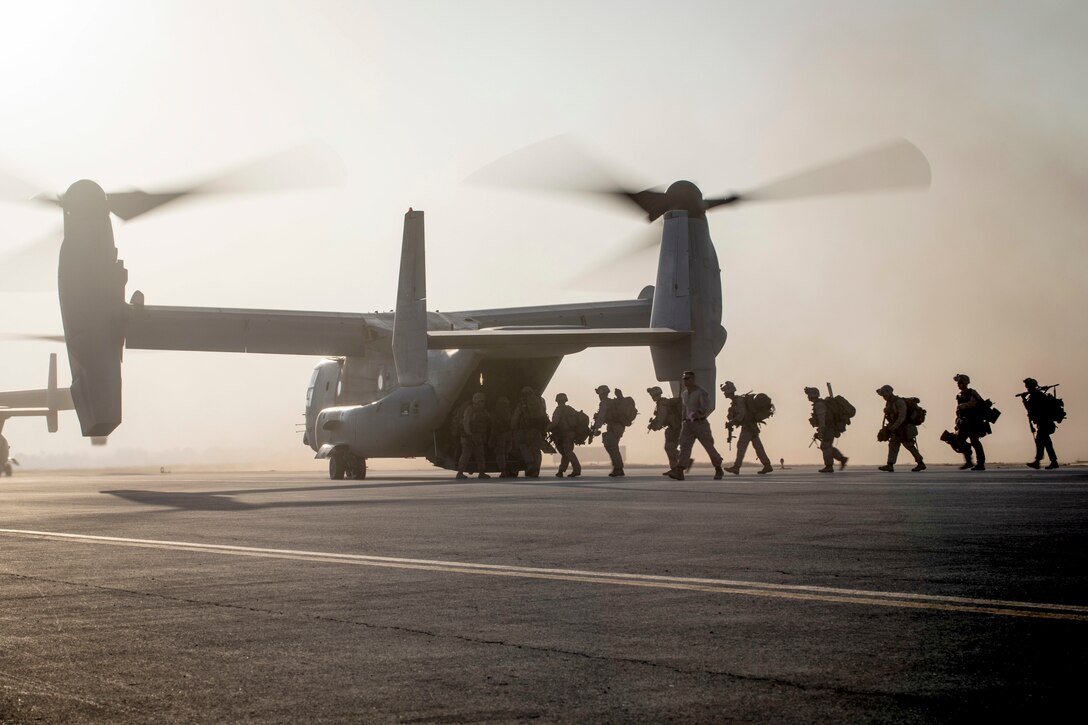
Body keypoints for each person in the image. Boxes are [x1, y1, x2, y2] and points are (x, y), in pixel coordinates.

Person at [667, 371, 725, 480]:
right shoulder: (684, 394)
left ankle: (718, 468)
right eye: (684, 379)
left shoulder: (700, 392)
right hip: (688, 425)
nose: (686, 381)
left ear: (693, 379)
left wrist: (697, 413)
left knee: (709, 446)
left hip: (700, 423)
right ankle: (680, 471)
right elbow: (685, 409)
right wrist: (683, 421)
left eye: (688, 378)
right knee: (684, 447)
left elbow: (706, 406)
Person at [720, 380, 773, 475]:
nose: (724, 393)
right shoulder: (735, 401)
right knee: (758, 446)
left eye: (725, 391)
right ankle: (767, 465)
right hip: (750, 426)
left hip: (748, 426)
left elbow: (742, 413)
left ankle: (736, 467)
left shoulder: (738, 400)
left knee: (741, 446)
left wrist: (733, 422)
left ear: (729, 391)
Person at [876, 385, 926, 472]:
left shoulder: (899, 402)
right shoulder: (890, 402)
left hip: (904, 428)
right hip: (896, 429)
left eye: (884, 395)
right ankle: (890, 464)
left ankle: (920, 463)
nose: (883, 397)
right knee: (892, 445)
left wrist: (894, 426)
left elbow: (902, 417)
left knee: (909, 445)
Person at [805, 387, 848, 473]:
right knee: (826, 446)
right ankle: (842, 459)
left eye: (809, 395)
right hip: (829, 428)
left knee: (825, 447)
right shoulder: (820, 404)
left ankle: (829, 466)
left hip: (828, 428)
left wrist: (820, 431)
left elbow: (822, 419)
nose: (808, 396)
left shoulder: (819, 405)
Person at [952, 373, 989, 471]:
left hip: (974, 422)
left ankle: (980, 464)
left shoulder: (972, 393)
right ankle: (969, 461)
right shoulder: (959, 396)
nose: (958, 385)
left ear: (964, 383)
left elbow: (974, 403)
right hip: (964, 423)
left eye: (960, 383)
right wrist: (957, 422)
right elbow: (959, 412)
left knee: (975, 442)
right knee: (960, 440)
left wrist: (962, 406)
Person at [1021, 377, 1061, 469]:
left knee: (1041, 441)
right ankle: (1051, 462)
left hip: (1045, 423)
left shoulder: (1036, 396)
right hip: (1045, 423)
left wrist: (1024, 399)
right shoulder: (1038, 395)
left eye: (1028, 387)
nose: (1027, 389)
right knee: (1045, 442)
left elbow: (1029, 407)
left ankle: (1039, 462)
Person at [512, 385, 547, 478]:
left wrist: (513, 427)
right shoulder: (540, 402)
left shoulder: (523, 404)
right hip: (538, 430)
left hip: (526, 430)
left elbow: (515, 418)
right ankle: (536, 470)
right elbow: (544, 415)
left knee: (522, 445)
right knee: (536, 450)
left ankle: (529, 463)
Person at [455, 392, 492, 480]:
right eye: (481, 401)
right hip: (469, 438)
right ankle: (460, 473)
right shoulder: (469, 410)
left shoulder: (483, 411)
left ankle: (482, 473)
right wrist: (469, 434)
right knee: (465, 455)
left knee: (480, 455)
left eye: (483, 401)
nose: (482, 403)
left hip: (478, 438)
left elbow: (489, 420)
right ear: (476, 401)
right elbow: (466, 422)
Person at [591, 385, 625, 477]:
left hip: (614, 427)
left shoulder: (604, 403)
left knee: (612, 448)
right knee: (613, 447)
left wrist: (595, 427)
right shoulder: (612, 402)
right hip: (618, 427)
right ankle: (618, 468)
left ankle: (618, 469)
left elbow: (601, 416)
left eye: (599, 393)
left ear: (601, 393)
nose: (599, 395)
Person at [647, 386, 682, 474]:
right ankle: (674, 468)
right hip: (674, 427)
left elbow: (662, 417)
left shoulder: (662, 404)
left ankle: (685, 461)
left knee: (669, 448)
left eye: (652, 395)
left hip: (674, 428)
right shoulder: (663, 402)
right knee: (670, 448)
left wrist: (656, 426)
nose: (651, 397)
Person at [548, 393, 581, 478]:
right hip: (571, 434)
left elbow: (555, 423)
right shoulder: (570, 409)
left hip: (563, 434)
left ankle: (577, 470)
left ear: (557, 401)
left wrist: (546, 428)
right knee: (565, 453)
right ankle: (561, 470)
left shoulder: (558, 410)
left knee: (567, 452)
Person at [490, 396, 513, 477]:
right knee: (506, 453)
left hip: (500, 435)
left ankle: (503, 470)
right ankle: (507, 469)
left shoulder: (496, 412)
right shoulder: (509, 411)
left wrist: (492, 437)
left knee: (500, 453)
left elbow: (493, 424)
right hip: (509, 435)